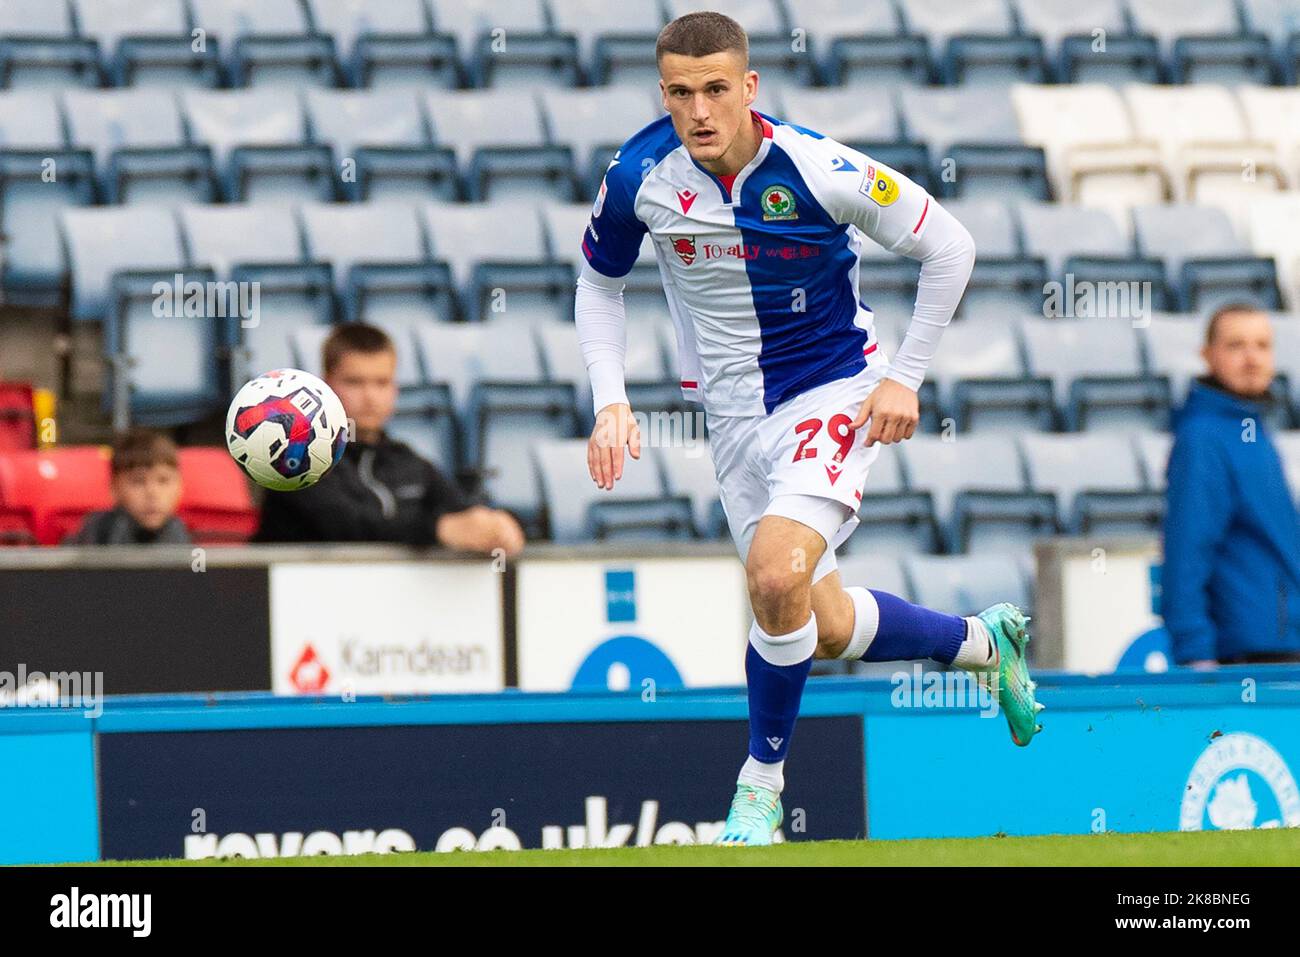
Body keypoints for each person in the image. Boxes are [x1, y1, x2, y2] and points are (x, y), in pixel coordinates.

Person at [577, 11, 1042, 846]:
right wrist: (610, 397)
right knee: (816, 621)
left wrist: (904, 377)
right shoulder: (639, 175)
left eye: (717, 89)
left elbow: (951, 246)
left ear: (749, 86)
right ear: (663, 95)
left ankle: (759, 786)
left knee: (774, 575)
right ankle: (983, 641)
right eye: (681, 93)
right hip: (730, 419)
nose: (700, 111)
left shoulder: (818, 167)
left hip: (830, 392)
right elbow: (598, 284)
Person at [254, 324, 525, 556]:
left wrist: (493, 525)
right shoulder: (294, 457)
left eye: (381, 382)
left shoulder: (408, 462)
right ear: (325, 386)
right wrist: (439, 529)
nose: (370, 396)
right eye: (355, 382)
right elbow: (351, 528)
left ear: (395, 389)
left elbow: (460, 512)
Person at [1162, 304, 1300, 667]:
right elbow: (1187, 549)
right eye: (1236, 345)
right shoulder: (1202, 438)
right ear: (1208, 355)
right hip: (1249, 653)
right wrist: (1194, 653)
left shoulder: (1253, 429)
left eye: (1262, 345)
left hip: (1281, 641)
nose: (1252, 357)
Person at [70, 430, 191, 545]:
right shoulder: (97, 532)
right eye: (138, 482)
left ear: (179, 486)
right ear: (115, 488)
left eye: (163, 481)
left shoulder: (184, 536)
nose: (152, 493)